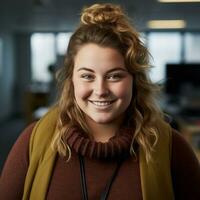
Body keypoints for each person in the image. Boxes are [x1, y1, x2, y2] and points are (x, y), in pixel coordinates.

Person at [0, 3, 200, 200]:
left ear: (135, 80)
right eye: (87, 76)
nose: (101, 90)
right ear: (72, 81)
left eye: (114, 76)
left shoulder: (171, 147)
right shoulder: (34, 141)